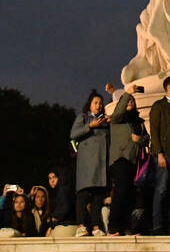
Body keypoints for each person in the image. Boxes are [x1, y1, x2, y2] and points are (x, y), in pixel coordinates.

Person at [104, 82, 143, 236]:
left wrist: (139, 139)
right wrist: (127, 93)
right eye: (127, 101)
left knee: (130, 195)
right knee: (121, 192)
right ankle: (113, 226)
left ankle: (126, 227)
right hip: (120, 159)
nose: (130, 103)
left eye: (132, 101)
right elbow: (118, 112)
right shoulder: (117, 119)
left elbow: (145, 138)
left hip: (133, 161)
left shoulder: (137, 121)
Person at [70, 90, 110, 236]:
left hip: (100, 165)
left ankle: (95, 226)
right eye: (95, 103)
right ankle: (81, 225)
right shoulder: (83, 117)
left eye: (100, 103)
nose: (98, 106)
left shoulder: (105, 121)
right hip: (86, 165)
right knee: (83, 195)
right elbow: (73, 134)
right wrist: (90, 126)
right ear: (89, 104)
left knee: (97, 198)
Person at [149, 75, 170, 235]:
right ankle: (157, 225)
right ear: (169, 87)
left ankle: (168, 224)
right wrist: (159, 153)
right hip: (164, 154)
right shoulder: (158, 106)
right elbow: (154, 132)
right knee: (161, 189)